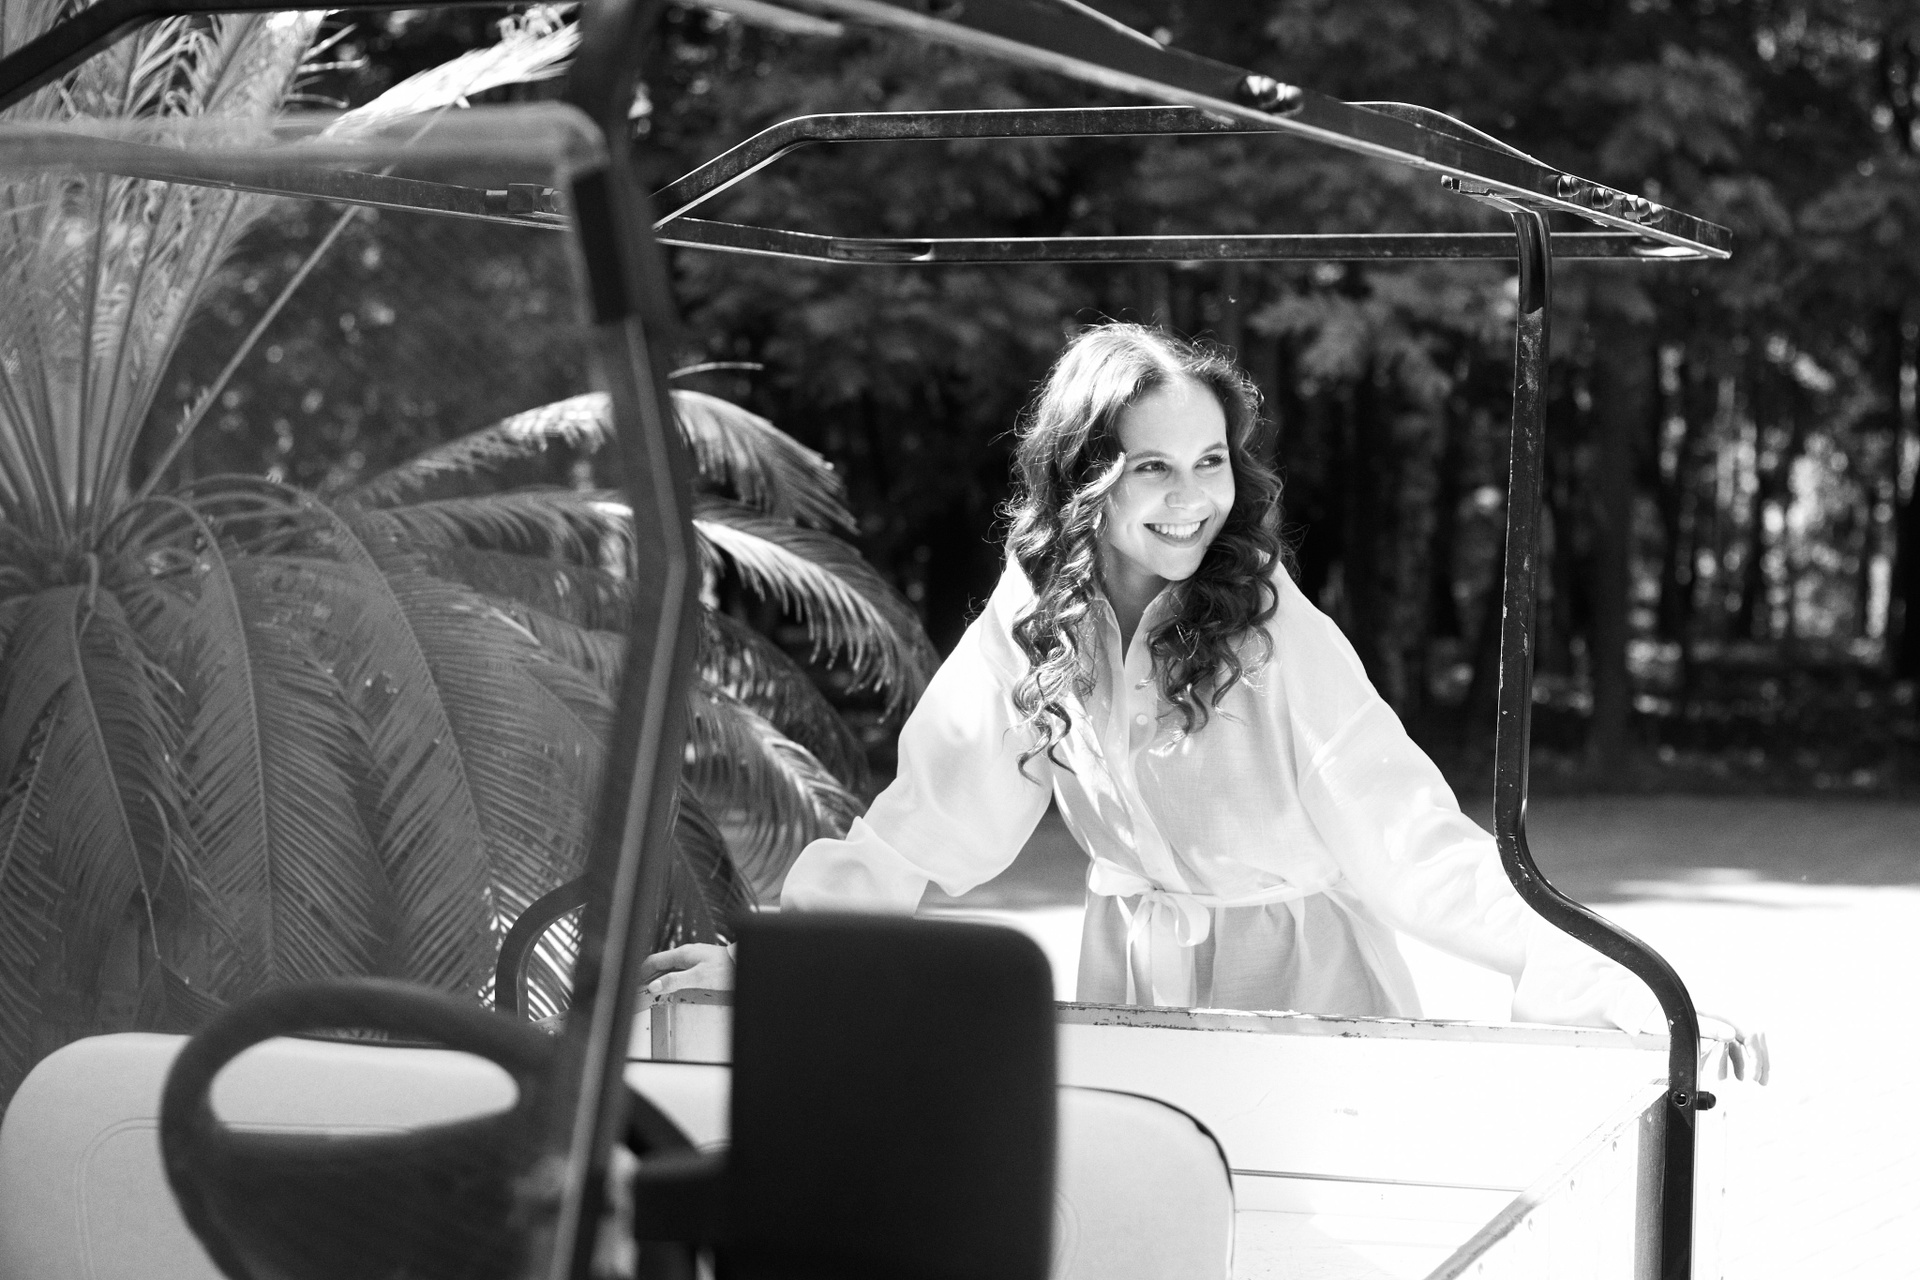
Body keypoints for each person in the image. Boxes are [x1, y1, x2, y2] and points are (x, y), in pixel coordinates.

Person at [640, 323, 1659, 1032]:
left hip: (1304, 989)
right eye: (1153, 467)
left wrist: (1584, 958)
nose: (1193, 498)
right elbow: (928, 821)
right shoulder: (1036, 615)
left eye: (1210, 461)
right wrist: (776, 964)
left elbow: (1403, 831)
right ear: (1086, 475)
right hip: (1130, 977)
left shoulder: (1269, 621)